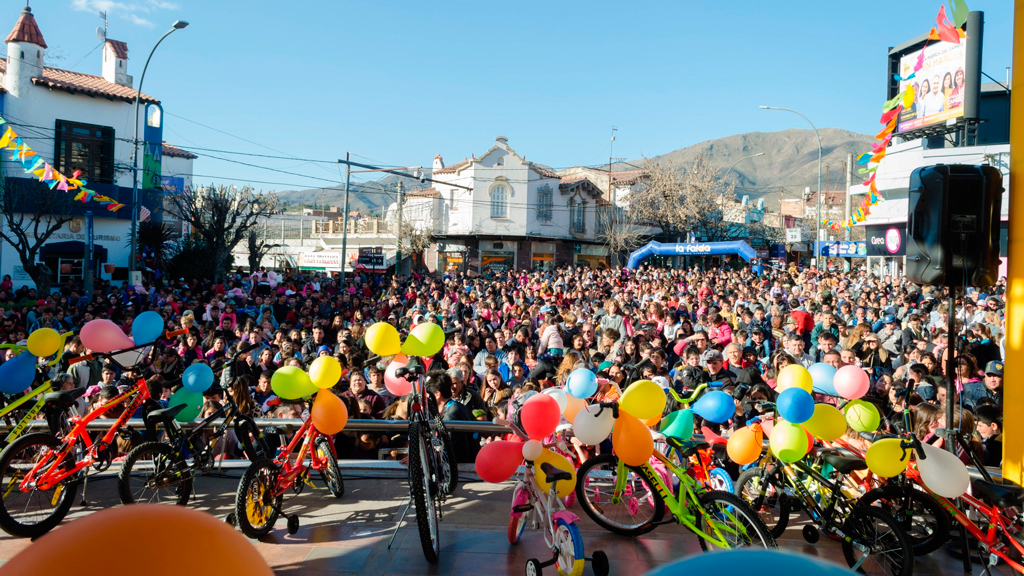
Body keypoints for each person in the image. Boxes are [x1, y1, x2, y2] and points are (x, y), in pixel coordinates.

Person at [424, 370, 476, 463]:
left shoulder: (451, 414)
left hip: (463, 473)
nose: (424, 398)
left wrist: (426, 458)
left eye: (426, 394)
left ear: (437, 394)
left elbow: (457, 454)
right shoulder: (453, 407)